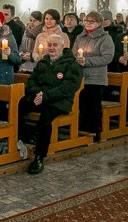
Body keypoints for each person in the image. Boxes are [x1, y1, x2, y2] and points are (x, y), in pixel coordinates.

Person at [18, 33, 82, 175]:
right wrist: (37, 93)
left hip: (58, 101)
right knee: (18, 106)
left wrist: (45, 96)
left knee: (45, 120)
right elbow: (32, 81)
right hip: (40, 97)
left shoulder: (71, 64)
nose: (52, 48)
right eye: (50, 45)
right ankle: (24, 138)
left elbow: (68, 87)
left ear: (62, 46)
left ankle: (39, 156)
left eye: (55, 45)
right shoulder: (43, 61)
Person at [72, 12, 114, 138]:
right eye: (86, 21)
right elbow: (74, 51)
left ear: (99, 23)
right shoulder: (81, 37)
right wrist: (77, 59)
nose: (88, 23)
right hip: (81, 76)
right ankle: (83, 129)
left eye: (92, 21)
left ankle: (94, 130)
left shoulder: (105, 38)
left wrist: (87, 61)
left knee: (93, 105)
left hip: (96, 77)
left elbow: (107, 57)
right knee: (82, 104)